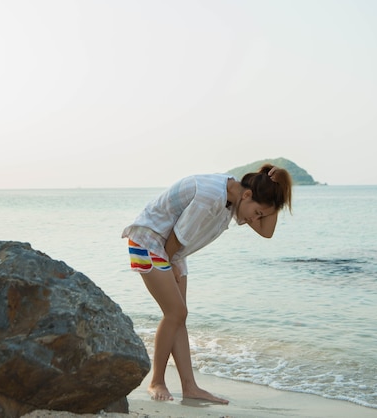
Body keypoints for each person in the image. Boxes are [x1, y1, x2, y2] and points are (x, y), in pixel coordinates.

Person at [122, 164, 293, 404]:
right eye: (257, 212)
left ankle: (190, 387)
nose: (254, 220)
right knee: (175, 312)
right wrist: (169, 265)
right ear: (247, 195)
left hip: (172, 249)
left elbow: (267, 232)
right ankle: (157, 381)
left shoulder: (234, 196)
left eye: (260, 215)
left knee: (180, 316)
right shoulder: (211, 196)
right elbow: (177, 236)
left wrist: (279, 189)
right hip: (149, 240)